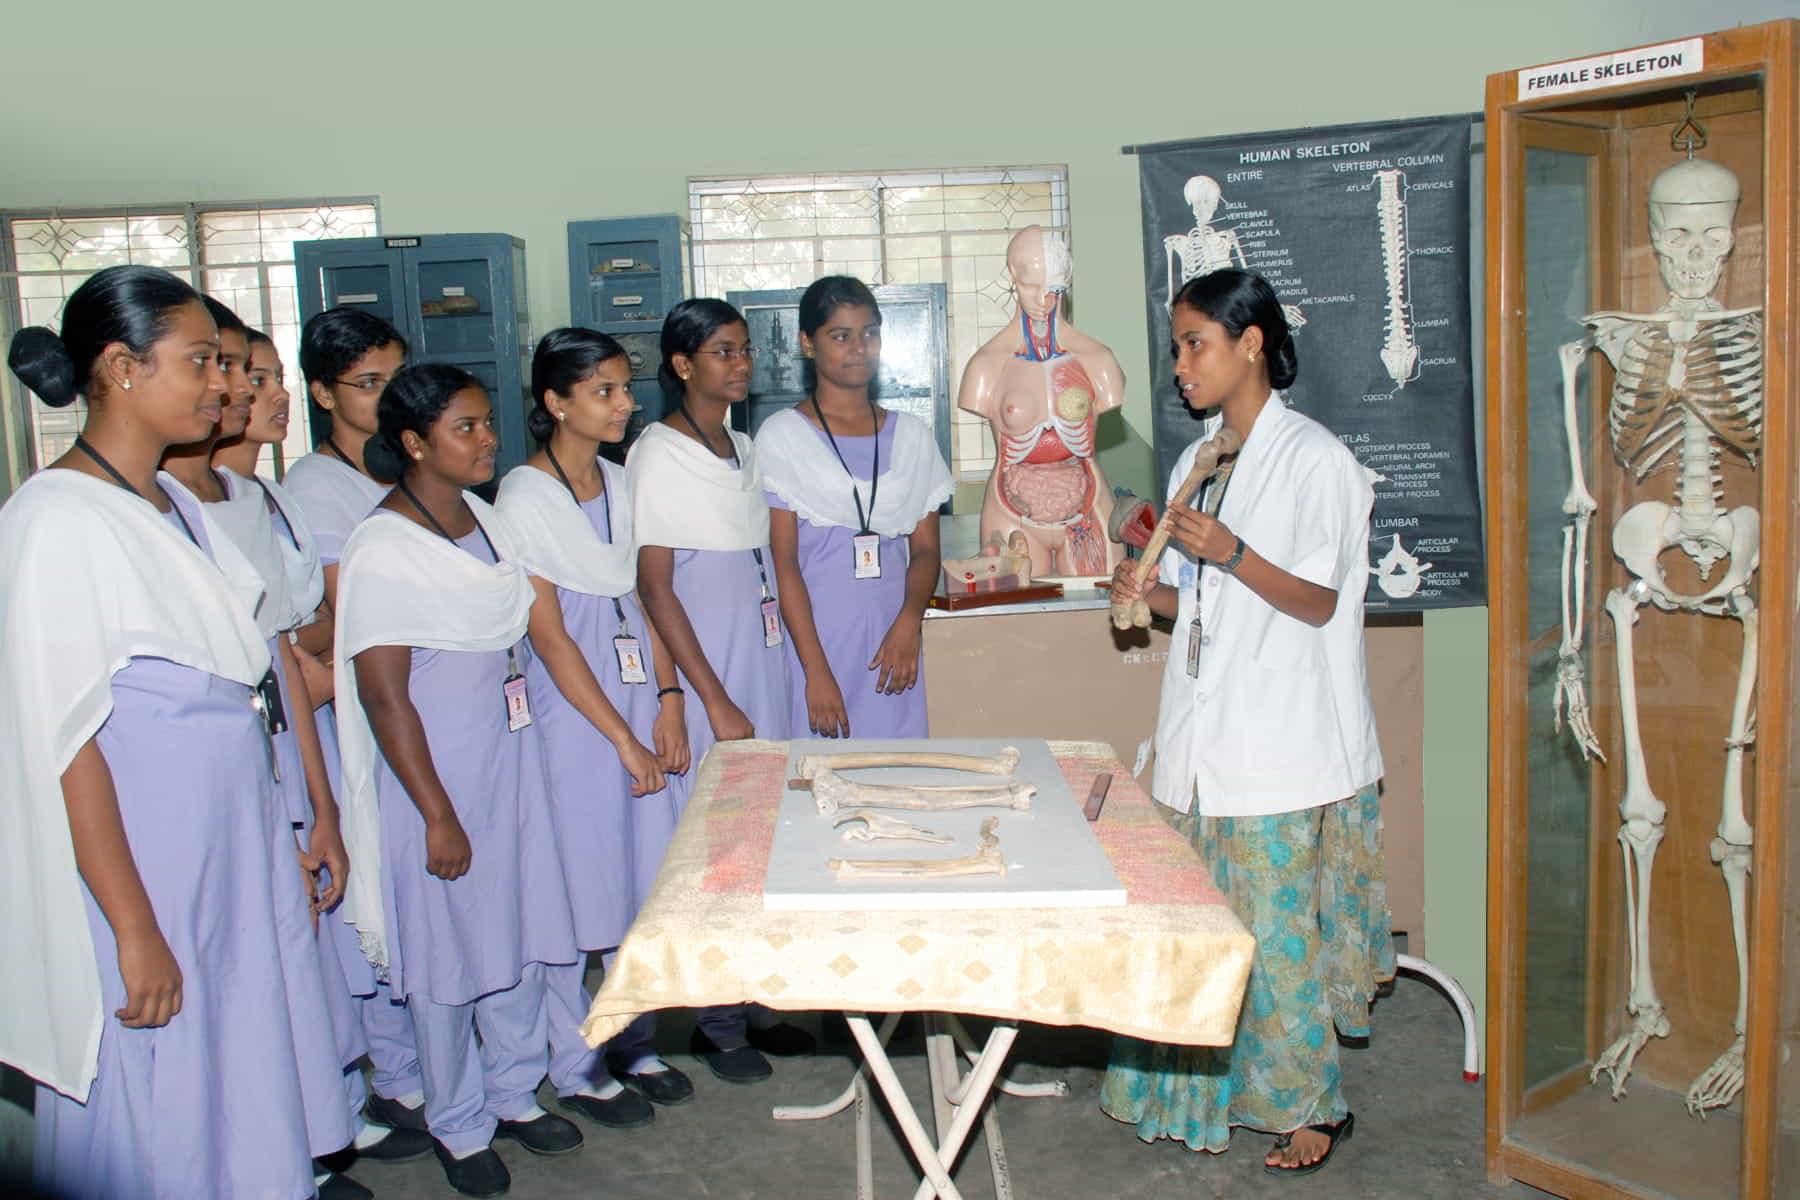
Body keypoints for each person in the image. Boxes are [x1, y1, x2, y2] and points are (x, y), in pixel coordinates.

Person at [0, 265, 351, 1198]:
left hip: (224, 849)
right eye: (200, 361)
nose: (223, 385)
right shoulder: (55, 520)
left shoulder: (180, 504)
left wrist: (301, 819)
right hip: (146, 870)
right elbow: (64, 744)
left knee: (235, 1069)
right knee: (155, 1091)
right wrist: (132, 927)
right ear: (120, 366)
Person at [1101, 269, 1390, 1177]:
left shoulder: (1318, 463)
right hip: (1203, 737)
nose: (1181, 364)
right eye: (1178, 346)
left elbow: (1314, 600)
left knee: (1276, 936)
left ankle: (1314, 1106)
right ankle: (1201, 1091)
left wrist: (1227, 551)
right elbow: (1207, 605)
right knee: (1198, 927)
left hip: (1284, 740)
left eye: (1197, 343)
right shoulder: (1205, 457)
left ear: (1252, 343)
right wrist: (1146, 595)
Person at [333, 363, 583, 1197]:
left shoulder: (486, 521)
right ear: (413, 443)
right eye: (466, 428)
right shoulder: (383, 547)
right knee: (446, 959)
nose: (489, 441)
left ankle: (515, 1091)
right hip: (436, 784)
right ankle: (460, 1121)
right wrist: (437, 814)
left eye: (486, 423)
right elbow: (383, 696)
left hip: (506, 765)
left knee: (516, 931)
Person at [213, 326, 436, 1183]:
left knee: (354, 901)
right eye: (244, 375)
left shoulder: (267, 495)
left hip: (338, 707)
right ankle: (352, 1096)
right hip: (305, 713)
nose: (255, 391)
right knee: (316, 923)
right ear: (326, 395)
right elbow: (314, 631)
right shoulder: (306, 485)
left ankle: (354, 1091)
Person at [495, 328, 696, 1126]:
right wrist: (622, 737)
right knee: (578, 891)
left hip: (638, 692)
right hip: (573, 713)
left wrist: (670, 700)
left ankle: (631, 1040)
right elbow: (548, 636)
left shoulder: (619, 482)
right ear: (555, 403)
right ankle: (574, 1065)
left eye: (625, 387)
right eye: (604, 391)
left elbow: (643, 597)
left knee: (641, 880)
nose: (625, 403)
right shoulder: (522, 498)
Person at [628, 298, 813, 1081]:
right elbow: (655, 587)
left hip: (758, 652)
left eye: (743, 352)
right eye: (722, 353)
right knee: (710, 841)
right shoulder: (657, 454)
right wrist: (712, 698)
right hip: (712, 664)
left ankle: (756, 994)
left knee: (761, 833)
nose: (740, 366)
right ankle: (715, 1019)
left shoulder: (740, 446)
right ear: (681, 366)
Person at [282, 306, 428, 1137]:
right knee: (366, 882)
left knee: (412, 883)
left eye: (395, 379)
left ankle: (425, 1055)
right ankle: (395, 1073)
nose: (387, 398)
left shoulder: (404, 468)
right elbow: (354, 612)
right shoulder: (320, 486)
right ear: (323, 392)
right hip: (356, 712)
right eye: (368, 385)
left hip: (412, 697)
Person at [756, 276, 951, 738]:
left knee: (897, 779)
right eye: (840, 336)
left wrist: (909, 623)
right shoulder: (783, 438)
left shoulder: (912, 437)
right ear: (808, 343)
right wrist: (815, 672)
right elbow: (783, 563)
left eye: (870, 333)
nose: (858, 348)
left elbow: (925, 550)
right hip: (818, 645)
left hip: (892, 646)